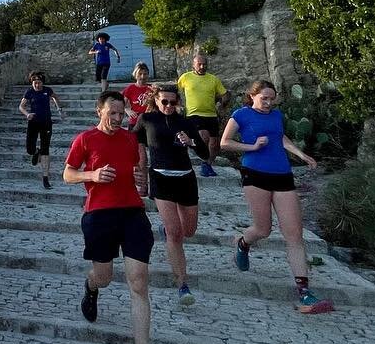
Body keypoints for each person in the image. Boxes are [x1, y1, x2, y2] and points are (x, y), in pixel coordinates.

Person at [63, 90, 171, 344]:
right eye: (112, 113)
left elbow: (136, 170)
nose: (118, 119)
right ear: (99, 111)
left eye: (121, 114)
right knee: (105, 277)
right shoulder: (85, 139)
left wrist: (139, 179)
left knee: (139, 282)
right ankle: (91, 286)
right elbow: (68, 174)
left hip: (132, 213)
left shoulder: (129, 139)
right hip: (99, 215)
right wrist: (92, 176)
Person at [218, 79, 331, 314]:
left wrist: (301, 154)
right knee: (264, 229)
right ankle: (242, 242)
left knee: (294, 234)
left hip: (282, 174)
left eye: (272, 99)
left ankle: (304, 292)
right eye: (264, 98)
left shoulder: (276, 115)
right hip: (255, 174)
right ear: (253, 96)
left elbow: (280, 137)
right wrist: (252, 147)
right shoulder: (241, 115)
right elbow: (225, 143)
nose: (268, 103)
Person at [134, 85, 199, 306]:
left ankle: (167, 229)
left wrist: (190, 142)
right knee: (175, 234)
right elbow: (135, 145)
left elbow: (205, 152)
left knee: (188, 231)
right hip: (161, 178)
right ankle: (182, 285)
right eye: (165, 102)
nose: (169, 106)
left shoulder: (185, 122)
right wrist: (140, 174)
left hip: (186, 178)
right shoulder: (146, 119)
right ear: (157, 100)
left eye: (173, 102)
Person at [178, 52, 228, 178]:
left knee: (215, 144)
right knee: (203, 137)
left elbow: (224, 94)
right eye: (199, 64)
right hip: (193, 113)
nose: (202, 67)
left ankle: (207, 164)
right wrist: (178, 106)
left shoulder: (213, 79)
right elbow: (175, 92)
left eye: (204, 64)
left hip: (211, 114)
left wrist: (223, 104)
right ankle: (194, 152)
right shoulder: (185, 77)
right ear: (193, 65)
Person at [19, 71, 63, 188]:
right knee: (29, 150)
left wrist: (59, 108)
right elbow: (21, 106)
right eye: (35, 83)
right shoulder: (29, 92)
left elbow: (55, 97)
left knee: (45, 150)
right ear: (32, 83)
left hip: (46, 123)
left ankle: (45, 178)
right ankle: (35, 152)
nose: (37, 85)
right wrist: (27, 114)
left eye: (39, 83)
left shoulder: (47, 90)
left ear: (42, 82)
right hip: (33, 123)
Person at [122, 62, 154, 134]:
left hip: (149, 122)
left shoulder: (152, 89)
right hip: (135, 122)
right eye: (140, 74)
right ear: (135, 74)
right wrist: (127, 110)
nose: (142, 76)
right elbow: (121, 103)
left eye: (145, 74)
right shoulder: (130, 88)